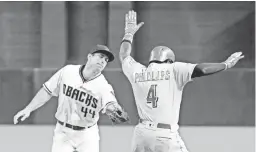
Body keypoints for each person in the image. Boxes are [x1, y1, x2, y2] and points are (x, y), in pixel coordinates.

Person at [119, 10, 244, 152]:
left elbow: (124, 55)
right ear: (168, 60)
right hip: (164, 135)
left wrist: (128, 33)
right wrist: (226, 64)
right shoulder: (173, 69)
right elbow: (201, 69)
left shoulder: (138, 71)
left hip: (141, 134)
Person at [13, 44, 129, 152]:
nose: (103, 61)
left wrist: (113, 107)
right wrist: (28, 109)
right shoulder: (68, 71)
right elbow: (47, 91)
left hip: (87, 135)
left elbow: (110, 102)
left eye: (106, 60)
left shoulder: (103, 85)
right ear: (89, 57)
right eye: (101, 56)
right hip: (63, 132)